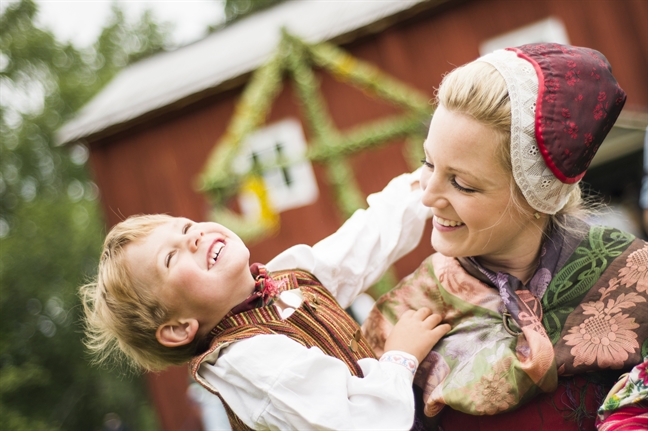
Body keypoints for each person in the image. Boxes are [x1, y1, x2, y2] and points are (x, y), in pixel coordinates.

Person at [361, 43, 648, 430]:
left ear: (535, 196)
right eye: (429, 162)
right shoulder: (406, 314)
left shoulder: (633, 279)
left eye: (462, 184)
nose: (427, 195)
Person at [80, 169, 451, 431]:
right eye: (171, 258)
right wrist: (400, 357)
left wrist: (427, 180)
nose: (193, 237)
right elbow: (363, 424)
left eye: (186, 226)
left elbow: (362, 243)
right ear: (178, 328)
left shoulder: (287, 279)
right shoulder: (249, 362)